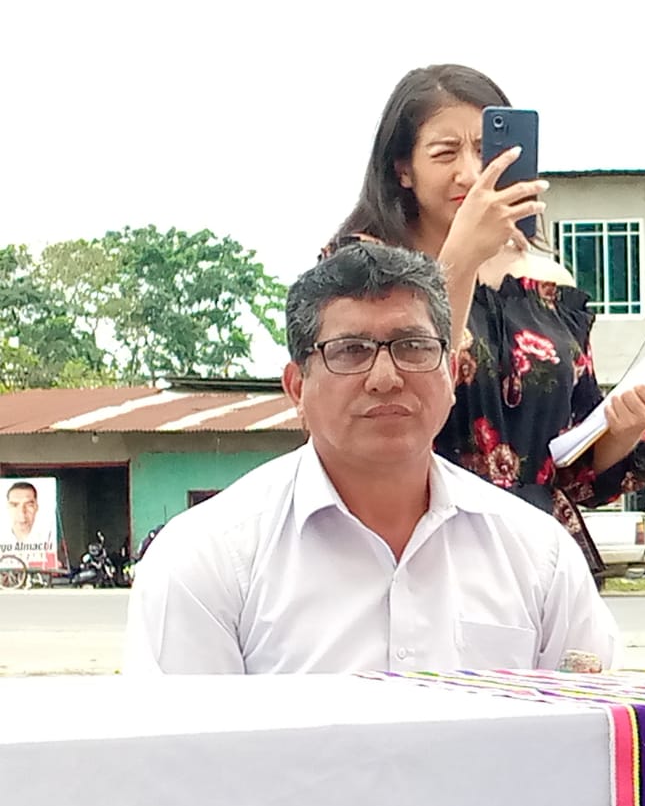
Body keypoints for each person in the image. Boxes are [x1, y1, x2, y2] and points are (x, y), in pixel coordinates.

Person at [124, 243, 618, 674]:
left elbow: (593, 728)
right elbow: (184, 745)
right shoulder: (206, 557)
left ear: (451, 374)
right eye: (350, 351)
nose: (385, 378)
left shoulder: (539, 555)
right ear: (297, 387)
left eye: (413, 347)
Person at [330, 64, 645, 575]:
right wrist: (460, 259)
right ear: (403, 169)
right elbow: (384, 390)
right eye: (445, 153)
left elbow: (573, 464)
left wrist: (621, 429)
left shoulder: (548, 282)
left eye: (486, 151)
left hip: (538, 552)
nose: (470, 173)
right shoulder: (361, 268)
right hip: (413, 544)